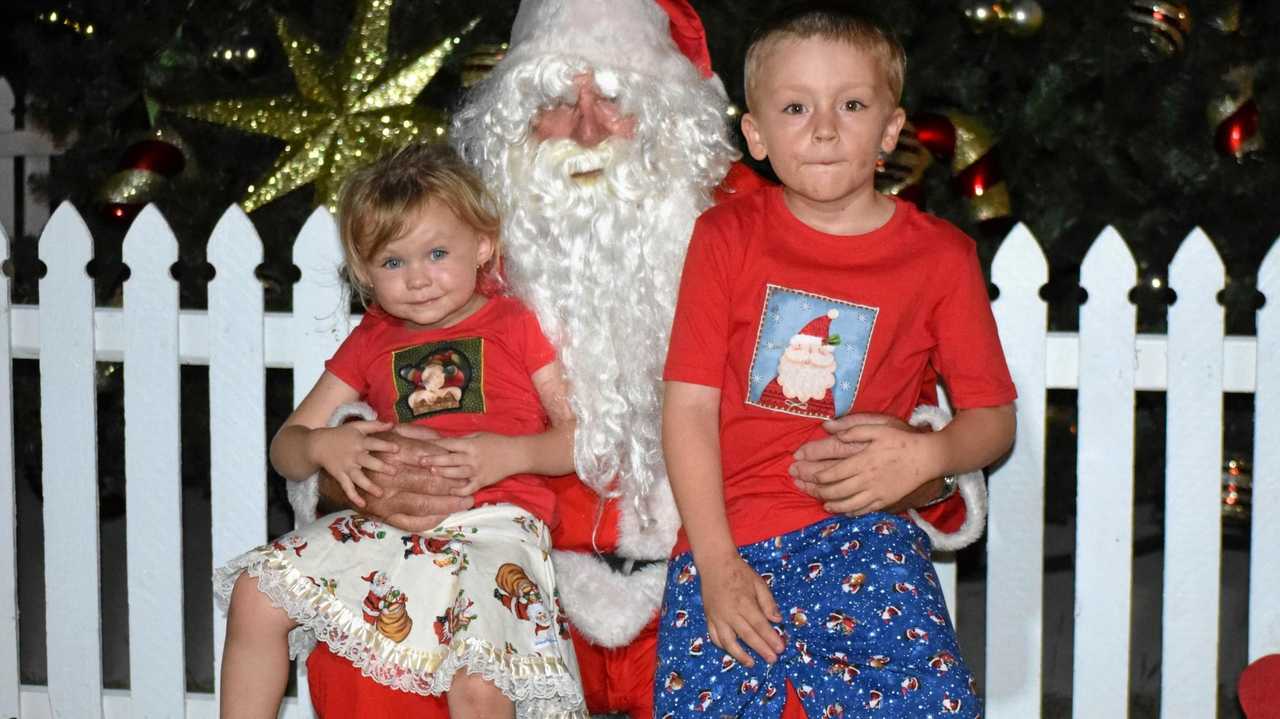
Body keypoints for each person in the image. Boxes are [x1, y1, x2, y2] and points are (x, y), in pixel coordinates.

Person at [295, 1, 992, 716]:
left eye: (618, 97)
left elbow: (907, 374)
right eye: (559, 101)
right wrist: (362, 474)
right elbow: (376, 380)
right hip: (524, 588)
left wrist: (920, 470)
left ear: (669, 110)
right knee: (368, 659)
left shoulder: (766, 217)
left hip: (718, 578)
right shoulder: (466, 243)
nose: (590, 128)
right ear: (515, 116)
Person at [657, 5, 1017, 717]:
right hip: (730, 536)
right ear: (755, 135)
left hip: (865, 536)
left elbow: (993, 420)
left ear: (889, 129)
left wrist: (927, 456)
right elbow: (688, 406)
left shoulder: (942, 257)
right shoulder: (724, 235)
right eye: (795, 107)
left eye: (851, 104)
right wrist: (715, 562)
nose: (823, 127)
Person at [214, 142, 586, 719]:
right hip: (389, 529)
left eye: (437, 252)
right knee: (256, 594)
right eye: (393, 263)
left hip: (495, 529)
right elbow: (286, 447)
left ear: (482, 246)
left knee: (480, 683)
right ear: (365, 272)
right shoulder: (373, 339)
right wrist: (322, 444)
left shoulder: (515, 323)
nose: (418, 279)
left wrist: (508, 455)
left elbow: (581, 438)